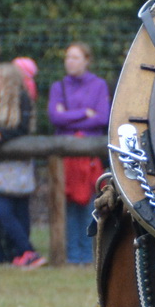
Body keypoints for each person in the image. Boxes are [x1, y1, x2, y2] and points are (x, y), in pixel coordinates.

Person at [48, 42, 110, 263]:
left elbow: (102, 118)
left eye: (75, 57)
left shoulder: (99, 85)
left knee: (88, 203)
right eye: (68, 57)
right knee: (68, 203)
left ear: (86, 60)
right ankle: (71, 255)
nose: (70, 62)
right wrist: (84, 113)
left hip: (90, 158)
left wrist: (69, 116)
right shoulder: (59, 87)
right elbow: (55, 118)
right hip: (66, 159)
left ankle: (86, 255)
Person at [0, 66, 45, 268]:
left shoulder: (23, 99)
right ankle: (22, 252)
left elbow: (21, 129)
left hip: (19, 162)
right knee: (3, 209)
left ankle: (27, 251)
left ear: (8, 81)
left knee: (16, 210)